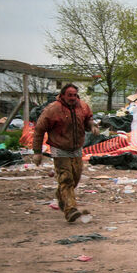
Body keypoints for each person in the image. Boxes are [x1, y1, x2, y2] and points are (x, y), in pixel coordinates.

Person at [32, 83, 97, 222]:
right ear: (63, 96)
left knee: (76, 177)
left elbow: (88, 119)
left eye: (74, 95)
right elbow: (39, 129)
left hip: (76, 148)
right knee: (66, 178)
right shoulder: (53, 109)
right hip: (59, 148)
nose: (72, 98)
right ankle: (70, 210)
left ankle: (61, 195)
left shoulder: (83, 106)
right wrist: (37, 152)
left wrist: (92, 126)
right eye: (69, 95)